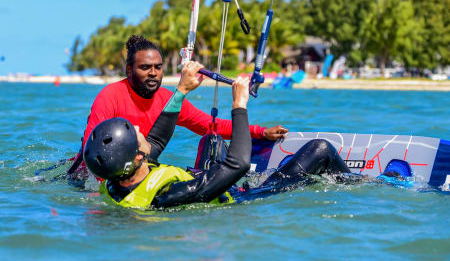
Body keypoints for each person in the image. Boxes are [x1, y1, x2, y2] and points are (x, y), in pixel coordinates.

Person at [84, 62, 352, 210]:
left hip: (201, 178)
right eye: (137, 134)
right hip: (241, 194)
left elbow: (156, 140)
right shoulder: (169, 193)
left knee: (211, 139)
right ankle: (358, 184)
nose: (142, 129)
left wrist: (181, 91)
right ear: (137, 157)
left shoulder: (116, 183)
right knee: (321, 149)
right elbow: (238, 165)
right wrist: (239, 105)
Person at [68, 35, 288, 179]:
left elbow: (209, 126)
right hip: (91, 175)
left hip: (136, 171)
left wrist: (260, 132)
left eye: (158, 67)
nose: (153, 73)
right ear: (129, 71)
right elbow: (93, 148)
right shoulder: (110, 96)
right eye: (145, 67)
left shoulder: (167, 99)